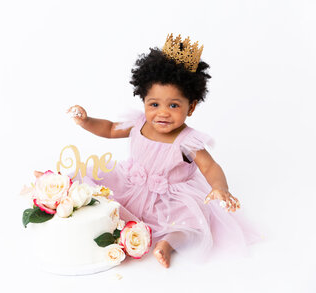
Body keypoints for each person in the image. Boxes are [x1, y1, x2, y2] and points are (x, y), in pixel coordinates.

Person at [62, 34, 258, 268]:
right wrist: (86, 121)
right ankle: (61, 193)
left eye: (174, 105)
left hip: (168, 198)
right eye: (154, 104)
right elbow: (111, 128)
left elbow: (209, 166)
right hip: (130, 184)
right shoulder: (139, 123)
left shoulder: (187, 140)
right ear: (143, 100)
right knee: (94, 191)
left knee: (191, 224)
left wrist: (219, 188)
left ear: (191, 106)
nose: (163, 113)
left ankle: (168, 243)